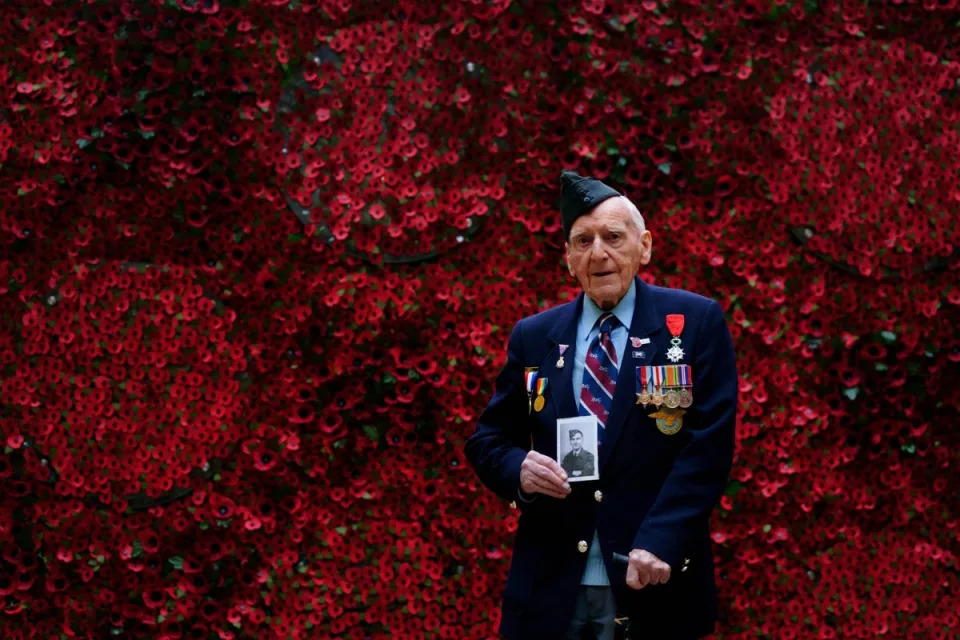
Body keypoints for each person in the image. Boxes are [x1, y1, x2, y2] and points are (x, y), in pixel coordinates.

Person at [464, 170, 738, 640]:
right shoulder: (534, 336)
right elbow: (489, 440)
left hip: (652, 578)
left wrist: (660, 540)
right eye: (582, 240)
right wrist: (518, 469)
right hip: (551, 588)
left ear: (644, 246)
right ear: (569, 258)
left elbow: (707, 448)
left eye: (613, 237)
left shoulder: (694, 323)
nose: (598, 253)